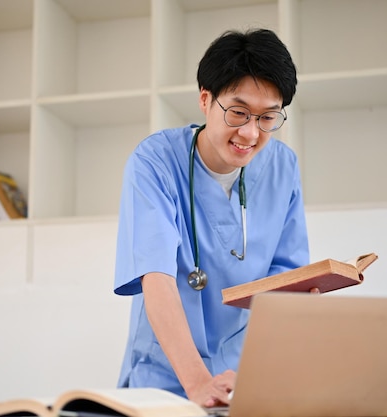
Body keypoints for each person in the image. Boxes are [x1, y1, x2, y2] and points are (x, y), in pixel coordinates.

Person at [113, 28, 310, 407]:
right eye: (238, 112)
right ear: (206, 100)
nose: (251, 132)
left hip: (242, 380)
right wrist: (198, 382)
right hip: (164, 378)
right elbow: (156, 277)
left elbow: (284, 282)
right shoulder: (154, 162)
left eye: (268, 117)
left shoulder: (283, 168)